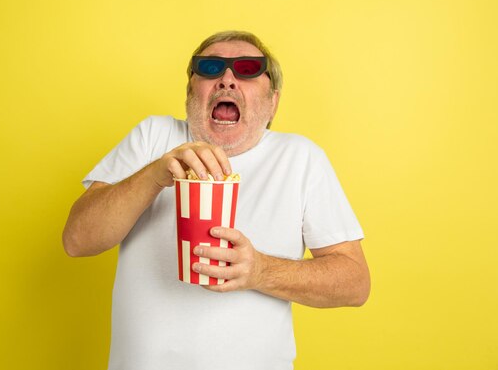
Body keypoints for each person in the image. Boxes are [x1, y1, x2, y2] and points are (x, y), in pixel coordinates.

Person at [63, 31, 370, 370]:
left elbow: (354, 282)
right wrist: (153, 176)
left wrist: (260, 271)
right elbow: (77, 240)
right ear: (189, 94)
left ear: (273, 102)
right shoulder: (154, 137)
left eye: (248, 68)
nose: (226, 79)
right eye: (209, 67)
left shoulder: (300, 158)